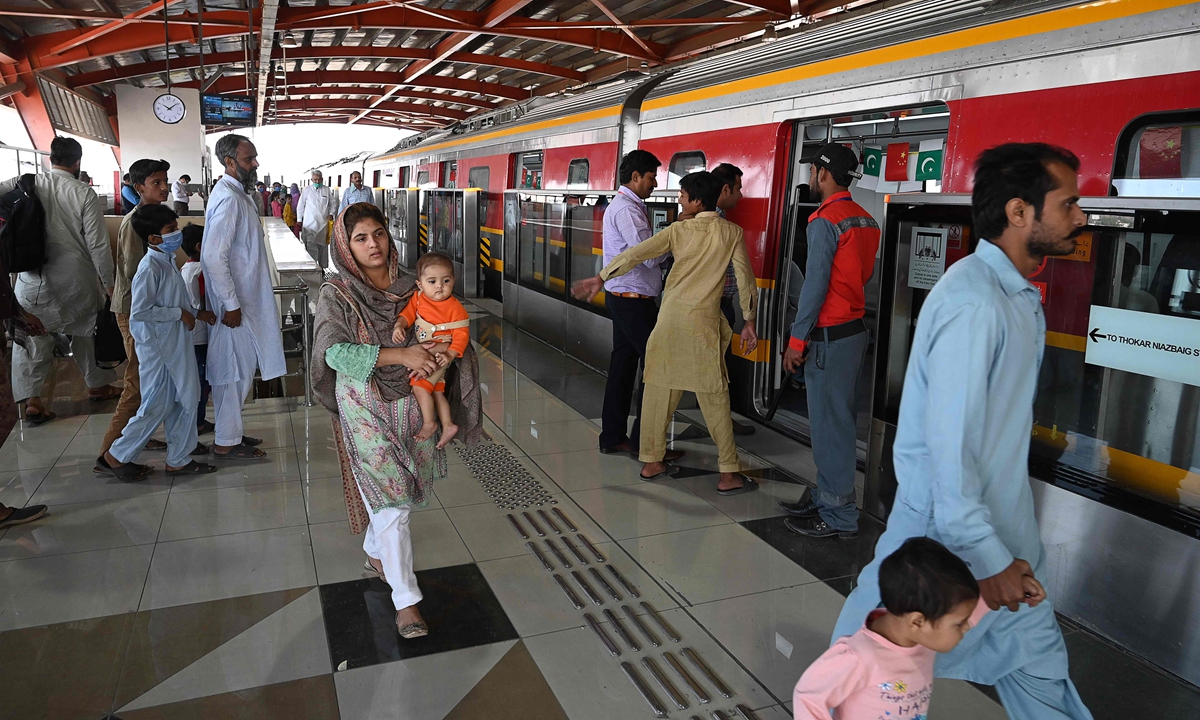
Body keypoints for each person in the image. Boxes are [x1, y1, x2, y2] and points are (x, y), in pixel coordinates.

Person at [832, 143, 1092, 719]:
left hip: (1006, 536)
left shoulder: (1014, 296)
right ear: (1020, 213)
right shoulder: (974, 302)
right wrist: (989, 558)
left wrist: (1005, 553)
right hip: (944, 543)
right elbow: (948, 450)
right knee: (874, 685)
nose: (1081, 216)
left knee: (1042, 676)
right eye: (1069, 203)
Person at [312, 202, 483, 638]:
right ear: (345, 246)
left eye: (379, 234)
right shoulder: (338, 292)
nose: (373, 245)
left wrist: (447, 352)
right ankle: (406, 601)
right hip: (364, 403)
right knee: (391, 501)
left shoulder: (415, 284)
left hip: (414, 400)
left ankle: (375, 553)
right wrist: (400, 354)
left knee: (400, 497)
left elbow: (449, 325)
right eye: (360, 238)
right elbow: (334, 353)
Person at [574, 171, 758, 493]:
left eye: (683, 196)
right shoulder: (731, 233)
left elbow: (635, 254)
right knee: (714, 398)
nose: (679, 201)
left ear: (698, 201)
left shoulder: (677, 232)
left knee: (659, 391)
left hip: (669, 323)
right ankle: (728, 472)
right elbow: (745, 281)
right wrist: (750, 320)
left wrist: (601, 278)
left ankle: (652, 460)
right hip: (703, 327)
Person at [778, 143, 879, 539]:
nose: (809, 178)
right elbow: (860, 279)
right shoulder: (866, 220)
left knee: (829, 429)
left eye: (812, 171)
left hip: (828, 338)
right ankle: (825, 496)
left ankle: (838, 515)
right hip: (852, 333)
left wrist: (796, 342)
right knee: (835, 422)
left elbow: (814, 287)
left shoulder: (824, 220)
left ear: (823, 174)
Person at [794, 538, 1000, 720]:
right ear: (917, 621)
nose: (966, 627)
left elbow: (965, 612)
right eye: (959, 624)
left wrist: (1004, 591)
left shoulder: (921, 636)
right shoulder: (860, 656)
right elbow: (809, 698)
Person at [3, 137, 121, 425]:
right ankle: (97, 385)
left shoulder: (25, 183)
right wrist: (109, 285)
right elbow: (97, 244)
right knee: (85, 334)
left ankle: (33, 400)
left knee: (33, 339)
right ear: (77, 162)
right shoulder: (83, 193)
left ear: (50, 159)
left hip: (32, 277)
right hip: (75, 280)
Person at [99, 204, 216, 480]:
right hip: (159, 348)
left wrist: (197, 313)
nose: (176, 235)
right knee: (157, 405)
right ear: (153, 238)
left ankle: (178, 458)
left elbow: (174, 300)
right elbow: (140, 311)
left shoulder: (166, 261)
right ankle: (116, 456)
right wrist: (181, 314)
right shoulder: (149, 268)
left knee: (184, 399)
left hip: (174, 344)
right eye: (170, 230)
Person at [202, 134, 287, 460]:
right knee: (232, 371)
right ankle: (225, 441)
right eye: (249, 159)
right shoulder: (229, 199)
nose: (255, 164)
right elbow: (213, 256)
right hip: (236, 306)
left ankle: (231, 432)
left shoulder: (237, 195)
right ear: (229, 162)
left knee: (240, 368)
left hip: (244, 302)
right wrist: (232, 305)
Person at [595, 150, 679, 462]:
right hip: (633, 303)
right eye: (651, 177)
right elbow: (651, 255)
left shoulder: (625, 206)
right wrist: (674, 236)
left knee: (623, 368)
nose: (655, 183)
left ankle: (613, 437)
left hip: (625, 299)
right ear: (635, 177)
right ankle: (644, 444)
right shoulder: (628, 210)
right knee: (657, 367)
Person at [100, 157, 172, 459]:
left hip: (146, 312)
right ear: (138, 186)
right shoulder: (134, 223)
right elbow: (134, 271)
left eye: (164, 182)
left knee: (149, 379)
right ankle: (109, 452)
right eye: (156, 183)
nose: (164, 187)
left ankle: (138, 434)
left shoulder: (154, 217)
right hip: (133, 312)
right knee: (136, 381)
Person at [391, 251, 470, 448]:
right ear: (420, 285)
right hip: (428, 353)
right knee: (436, 391)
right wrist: (399, 325)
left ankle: (429, 423)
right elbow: (407, 314)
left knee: (419, 386)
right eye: (432, 281)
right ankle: (448, 424)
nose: (439, 287)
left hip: (439, 356)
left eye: (446, 280)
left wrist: (450, 353)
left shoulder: (455, 307)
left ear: (454, 280)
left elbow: (461, 334)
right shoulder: (418, 299)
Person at [710, 163, 757, 437]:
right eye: (738, 188)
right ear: (725, 188)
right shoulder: (723, 227)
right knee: (718, 370)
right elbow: (743, 275)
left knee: (718, 367)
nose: (741, 195)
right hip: (716, 309)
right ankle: (722, 428)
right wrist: (749, 317)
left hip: (717, 306)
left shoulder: (701, 220)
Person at [181, 224, 213, 435]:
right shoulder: (201, 272)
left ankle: (198, 420)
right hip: (200, 335)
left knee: (199, 381)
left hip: (191, 334)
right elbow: (202, 304)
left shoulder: (185, 268)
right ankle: (197, 423)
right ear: (201, 246)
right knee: (202, 382)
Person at [298, 170, 336, 268]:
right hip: (309, 224)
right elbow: (300, 205)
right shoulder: (307, 190)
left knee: (322, 248)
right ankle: (312, 267)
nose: (317, 182)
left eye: (319, 180)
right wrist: (299, 219)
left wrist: (331, 213)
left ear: (322, 179)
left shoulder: (326, 190)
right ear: (312, 180)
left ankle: (322, 268)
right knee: (311, 247)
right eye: (315, 180)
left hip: (323, 224)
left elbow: (333, 203)